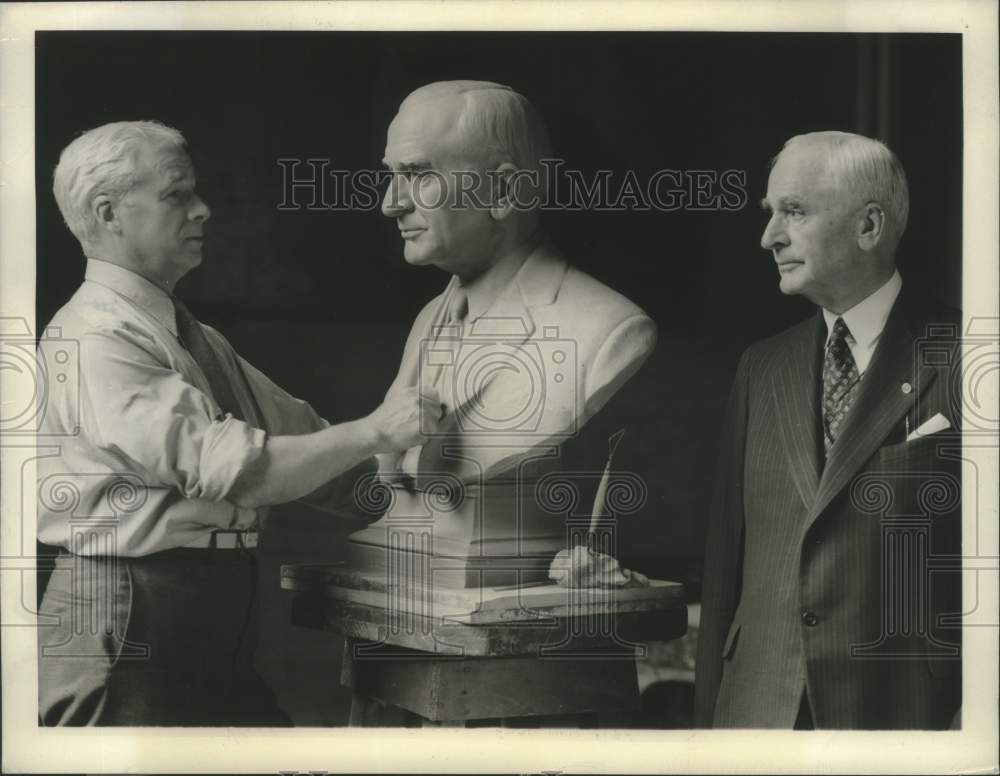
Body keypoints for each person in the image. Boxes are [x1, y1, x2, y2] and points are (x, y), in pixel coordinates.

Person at [36, 120, 440, 725]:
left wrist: (436, 501)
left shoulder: (192, 338)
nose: (203, 210)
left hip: (208, 615)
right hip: (127, 619)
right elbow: (244, 474)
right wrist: (378, 431)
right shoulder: (96, 338)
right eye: (177, 195)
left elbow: (308, 445)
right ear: (109, 212)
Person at [694, 131, 962, 729]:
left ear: (868, 226)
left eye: (793, 211)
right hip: (757, 714)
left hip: (904, 716)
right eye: (770, 214)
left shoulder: (970, 357)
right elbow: (725, 570)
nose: (769, 237)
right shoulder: (762, 366)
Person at [346, 81, 658, 583]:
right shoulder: (431, 318)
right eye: (391, 177)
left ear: (504, 191)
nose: (389, 204)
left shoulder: (605, 328)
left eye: (417, 174)